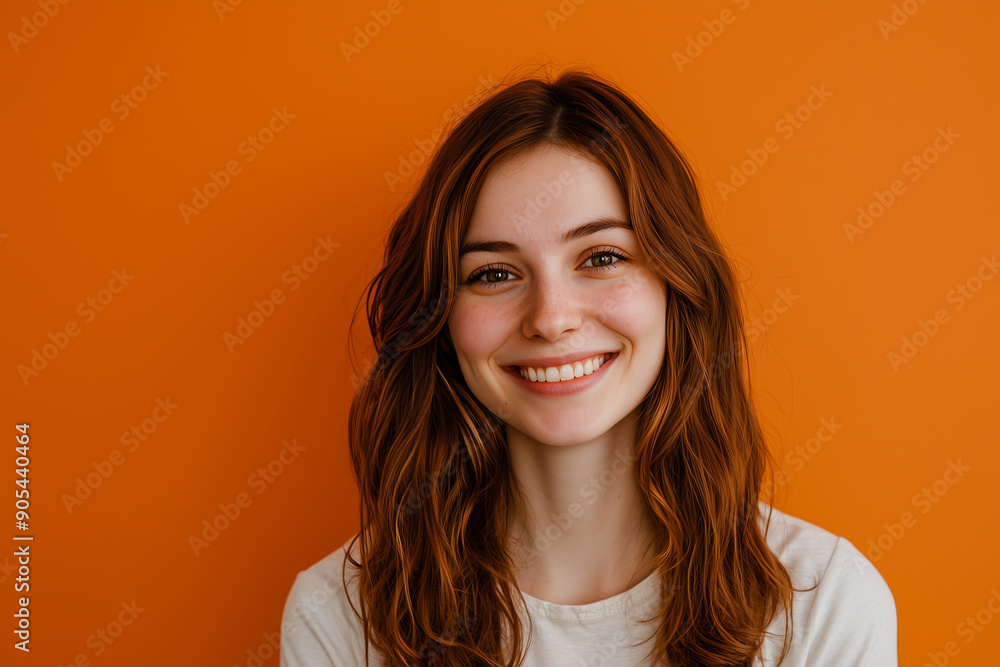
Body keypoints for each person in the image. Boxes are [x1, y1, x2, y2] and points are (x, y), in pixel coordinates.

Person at [280, 65, 897, 666]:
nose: (551, 318)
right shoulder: (337, 616)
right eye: (493, 274)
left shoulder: (824, 603)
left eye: (601, 256)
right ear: (441, 318)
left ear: (675, 288)